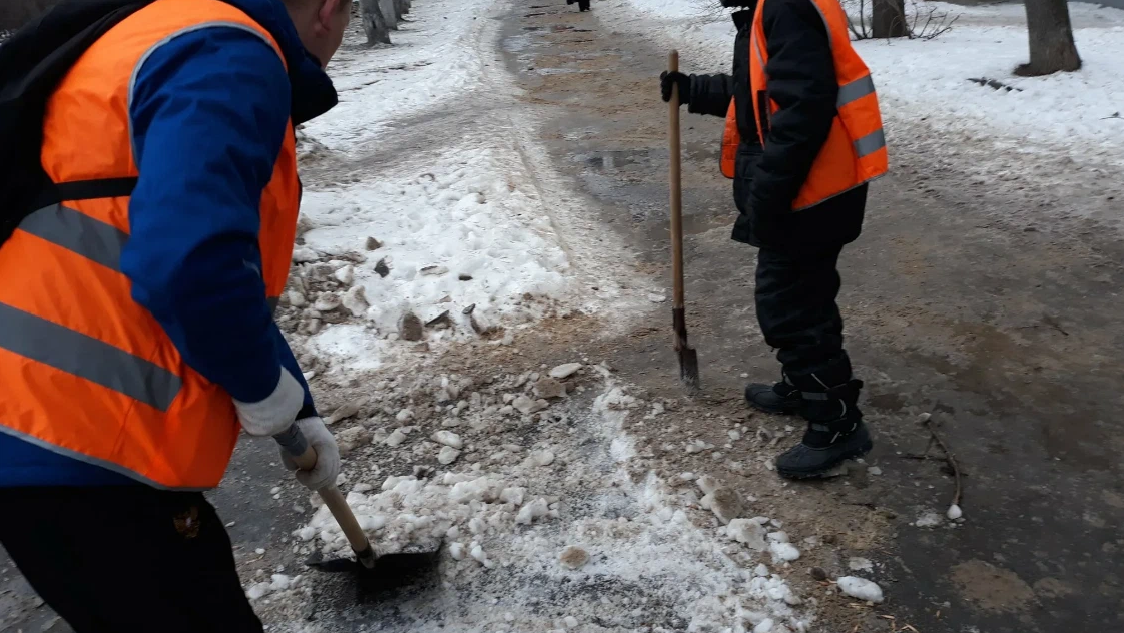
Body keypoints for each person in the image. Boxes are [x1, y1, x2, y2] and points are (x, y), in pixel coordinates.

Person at [0, 0, 350, 629]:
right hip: (76, 438)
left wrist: (297, 407)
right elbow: (190, 265)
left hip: (45, 425)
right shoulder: (228, 51)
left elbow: (209, 264)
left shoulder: (159, 30)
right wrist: (256, 384)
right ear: (329, 9)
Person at [660, 0, 887, 478]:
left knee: (788, 307)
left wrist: (768, 195)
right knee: (806, 297)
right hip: (813, 191)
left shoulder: (785, 7)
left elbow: (802, 111)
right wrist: (694, 90)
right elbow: (759, 95)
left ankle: (838, 423)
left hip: (809, 193)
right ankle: (801, 387)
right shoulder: (770, 9)